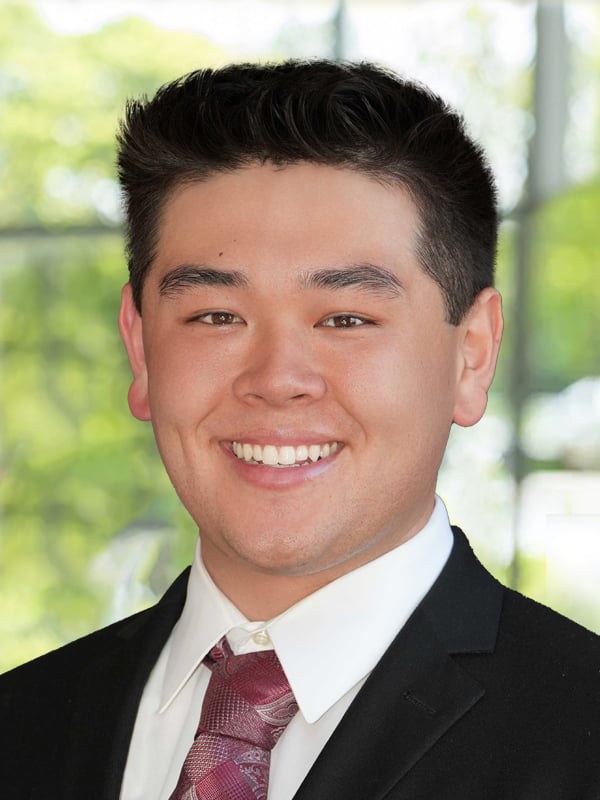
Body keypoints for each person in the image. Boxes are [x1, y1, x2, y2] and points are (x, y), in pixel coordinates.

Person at [1, 60, 599, 800]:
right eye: (215, 316)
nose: (278, 378)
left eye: (346, 319)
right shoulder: (21, 721)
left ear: (471, 354)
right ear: (141, 347)